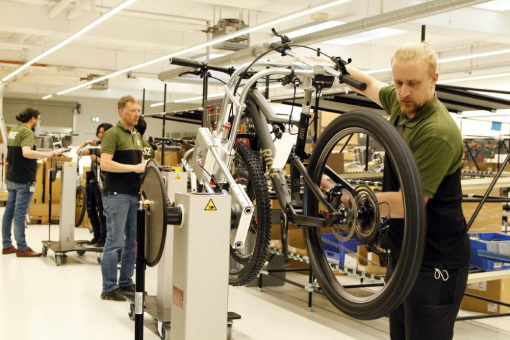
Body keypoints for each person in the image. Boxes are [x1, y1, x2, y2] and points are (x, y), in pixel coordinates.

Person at [343, 42, 471, 339]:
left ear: (433, 80)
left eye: (413, 83)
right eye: (398, 82)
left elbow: (406, 204)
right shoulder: (403, 105)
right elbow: (370, 86)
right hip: (405, 255)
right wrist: (339, 69)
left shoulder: (436, 132)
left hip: (434, 261)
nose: (403, 92)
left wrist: (350, 197)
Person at [99, 95, 145, 301]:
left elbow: (142, 163)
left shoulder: (136, 135)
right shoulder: (112, 134)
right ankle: (109, 287)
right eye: (133, 110)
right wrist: (134, 168)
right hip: (116, 195)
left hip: (134, 195)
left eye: (138, 110)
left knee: (132, 242)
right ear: (121, 112)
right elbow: (105, 164)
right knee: (114, 242)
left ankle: (126, 281)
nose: (137, 114)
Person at [2, 108, 60, 257]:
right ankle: (22, 248)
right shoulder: (27, 132)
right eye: (38, 119)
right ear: (33, 119)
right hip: (23, 179)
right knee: (20, 214)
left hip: (12, 177)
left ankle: (7, 245)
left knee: (9, 212)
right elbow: (26, 152)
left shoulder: (14, 130)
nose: (38, 122)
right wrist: (47, 154)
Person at [76, 123, 113, 247]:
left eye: (103, 132)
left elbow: (113, 163)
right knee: (90, 208)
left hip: (104, 181)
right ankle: (96, 236)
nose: (100, 134)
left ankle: (104, 238)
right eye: (99, 132)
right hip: (92, 180)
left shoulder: (112, 145)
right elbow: (79, 152)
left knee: (102, 210)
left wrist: (97, 160)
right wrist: (86, 143)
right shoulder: (96, 145)